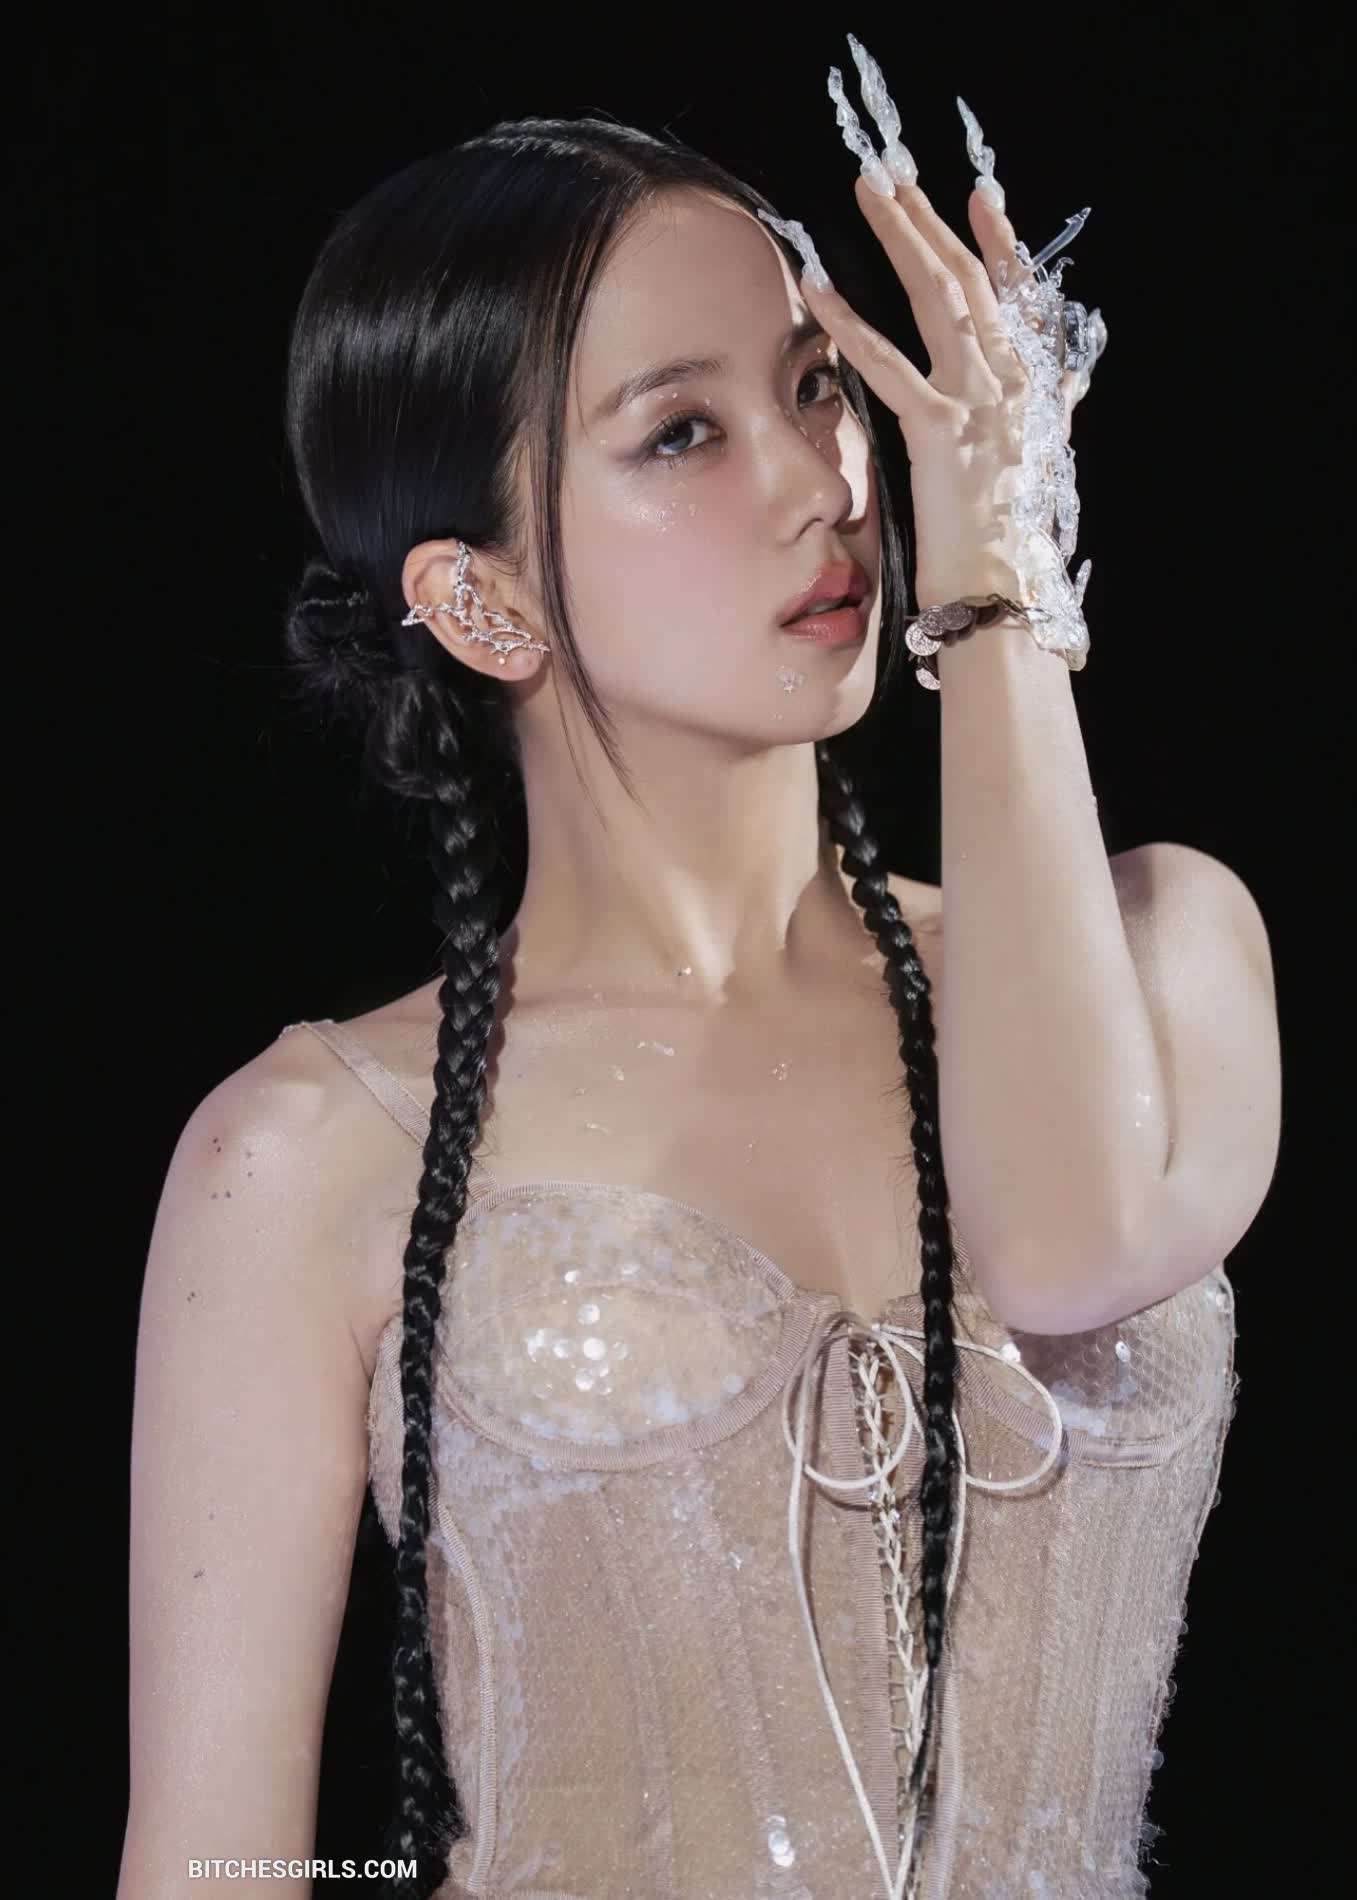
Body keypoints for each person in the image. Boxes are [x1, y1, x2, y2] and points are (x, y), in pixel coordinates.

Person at [119, 78, 1278, 1900]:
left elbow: (1065, 1241)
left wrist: (997, 604)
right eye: (680, 432)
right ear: (481, 600)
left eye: (817, 386)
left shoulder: (1165, 948)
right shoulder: (308, 1153)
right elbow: (213, 1870)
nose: (826, 479)